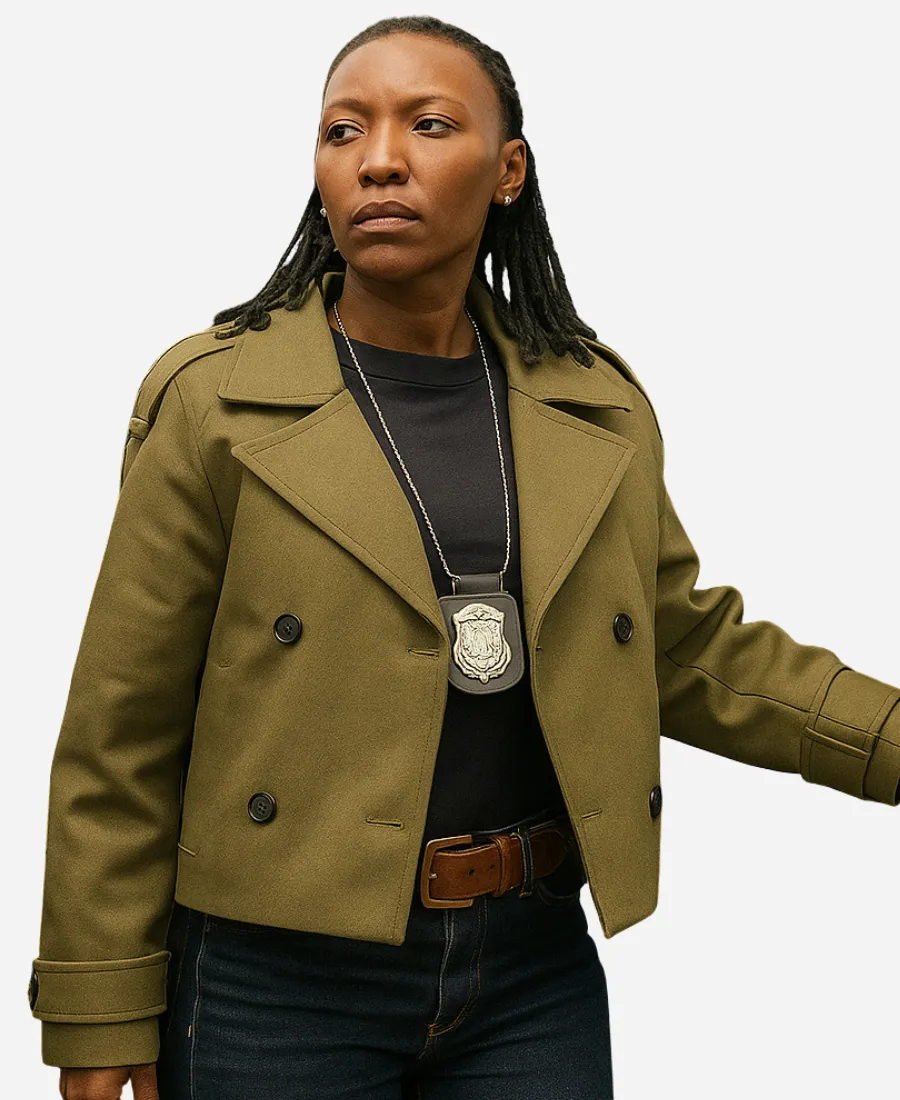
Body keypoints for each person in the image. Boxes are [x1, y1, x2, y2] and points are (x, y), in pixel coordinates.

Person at [30, 14, 899, 1100]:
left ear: (509, 170)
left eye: (430, 124)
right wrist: (99, 1003)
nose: (379, 159)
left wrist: (888, 739)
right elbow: (123, 727)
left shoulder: (594, 401)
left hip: (530, 967)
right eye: (344, 130)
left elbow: (681, 647)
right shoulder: (216, 402)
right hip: (275, 978)